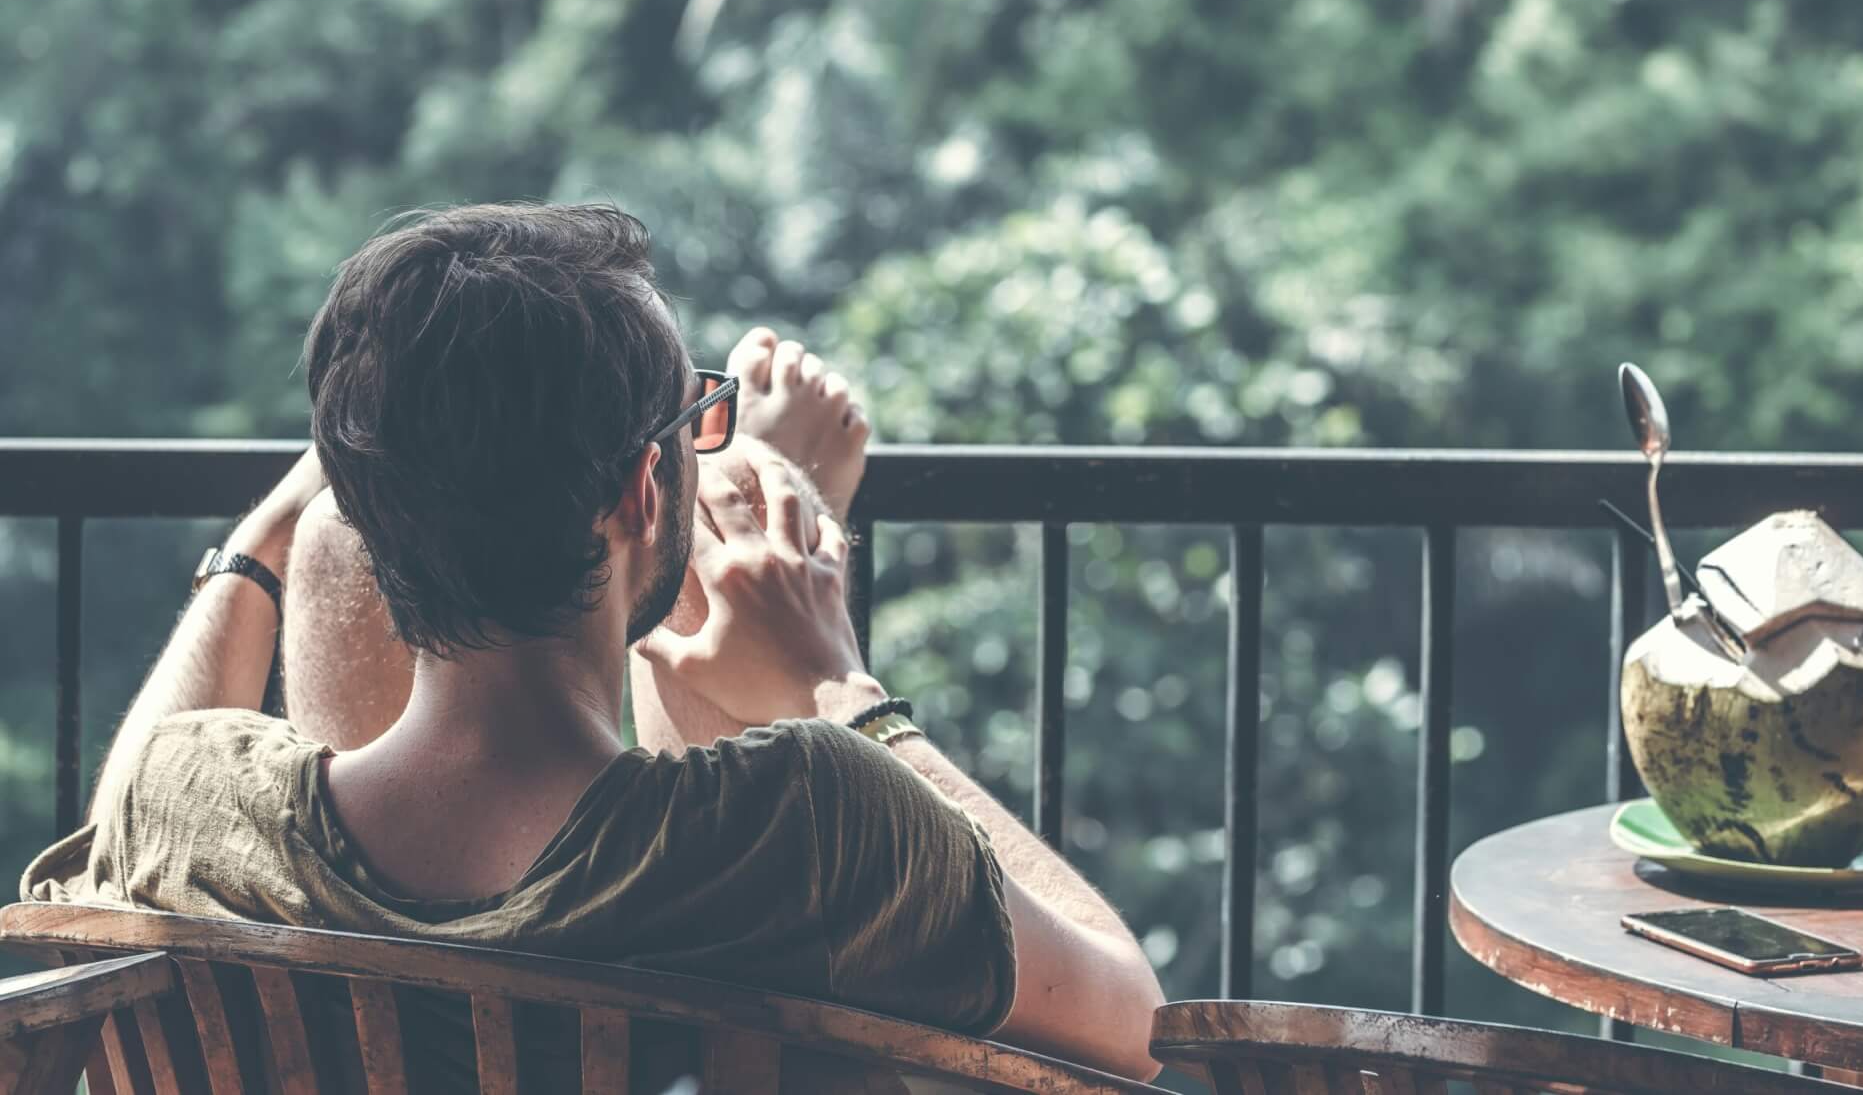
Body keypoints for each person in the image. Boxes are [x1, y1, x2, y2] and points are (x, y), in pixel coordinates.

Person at [21, 202, 1165, 1082]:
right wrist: (839, 683)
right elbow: (1135, 1021)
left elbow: (107, 847)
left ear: (365, 505)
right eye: (691, 425)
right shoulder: (812, 824)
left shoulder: (194, 805)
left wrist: (266, 537)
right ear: (634, 491)